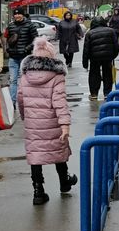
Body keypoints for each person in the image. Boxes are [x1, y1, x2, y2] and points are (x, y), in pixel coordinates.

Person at [18, 37, 77, 205]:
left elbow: (20, 99)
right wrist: (64, 124)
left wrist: (24, 116)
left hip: (32, 122)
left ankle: (38, 191)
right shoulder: (56, 76)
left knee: (35, 156)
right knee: (59, 151)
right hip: (52, 122)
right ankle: (64, 182)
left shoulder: (25, 75)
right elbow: (60, 102)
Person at [81, 16, 119, 101]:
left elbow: (86, 50)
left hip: (94, 58)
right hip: (107, 57)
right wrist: (113, 56)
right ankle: (107, 93)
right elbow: (116, 46)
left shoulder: (89, 33)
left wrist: (85, 63)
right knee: (108, 74)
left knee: (94, 75)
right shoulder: (111, 31)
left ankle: (94, 94)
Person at [4, 10, 37, 105]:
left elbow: (35, 39)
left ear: (22, 15)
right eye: (15, 14)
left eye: (19, 14)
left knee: (25, 80)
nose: (17, 16)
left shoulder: (30, 25)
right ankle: (12, 102)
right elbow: (7, 39)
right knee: (13, 80)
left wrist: (27, 48)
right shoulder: (10, 26)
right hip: (13, 57)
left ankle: (25, 101)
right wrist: (8, 49)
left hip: (25, 57)